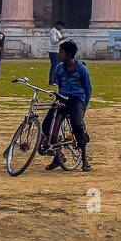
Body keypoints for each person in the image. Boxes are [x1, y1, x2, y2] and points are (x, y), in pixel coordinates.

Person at [45, 40, 92, 172]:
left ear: (69, 54)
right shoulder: (59, 68)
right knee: (47, 125)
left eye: (61, 52)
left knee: (77, 125)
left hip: (77, 99)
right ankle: (58, 155)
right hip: (63, 98)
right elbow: (59, 85)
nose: (59, 54)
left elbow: (88, 89)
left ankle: (84, 158)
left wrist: (84, 108)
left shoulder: (82, 69)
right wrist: (60, 98)